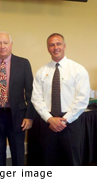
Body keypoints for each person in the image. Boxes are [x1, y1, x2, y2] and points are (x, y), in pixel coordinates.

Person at [31, 33, 90, 166]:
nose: (55, 47)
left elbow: (82, 98)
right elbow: (36, 97)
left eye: (58, 44)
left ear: (64, 46)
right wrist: (49, 118)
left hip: (70, 122)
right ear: (48, 48)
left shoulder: (78, 70)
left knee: (71, 160)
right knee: (49, 159)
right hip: (48, 122)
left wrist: (65, 119)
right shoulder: (41, 72)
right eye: (52, 45)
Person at [0, 32, 34, 166]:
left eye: (5, 43)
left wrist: (29, 116)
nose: (2, 46)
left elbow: (31, 93)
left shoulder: (23, 63)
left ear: (11, 45)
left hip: (17, 115)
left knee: (18, 152)